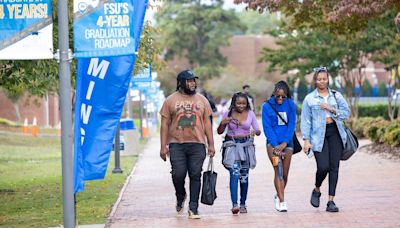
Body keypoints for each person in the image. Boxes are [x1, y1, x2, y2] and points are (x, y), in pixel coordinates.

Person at [159, 69, 216, 219]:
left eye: (193, 81)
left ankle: (193, 208)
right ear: (181, 83)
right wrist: (163, 146)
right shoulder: (170, 100)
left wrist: (211, 144)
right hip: (176, 144)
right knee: (178, 174)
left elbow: (207, 123)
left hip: (197, 144)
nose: (192, 83)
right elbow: (164, 124)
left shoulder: (202, 100)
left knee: (195, 175)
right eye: (189, 81)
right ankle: (180, 195)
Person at [300, 67, 350, 213]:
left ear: (328, 79)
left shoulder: (336, 96)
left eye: (324, 79)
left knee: (334, 167)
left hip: (335, 133)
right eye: (319, 79)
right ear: (315, 81)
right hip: (317, 136)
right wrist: (306, 140)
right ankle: (317, 189)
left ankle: (331, 201)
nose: (322, 81)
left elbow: (346, 113)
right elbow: (305, 121)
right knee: (323, 167)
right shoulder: (309, 99)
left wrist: (332, 109)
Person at [217, 92, 261, 215]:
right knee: (234, 174)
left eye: (243, 103)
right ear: (234, 103)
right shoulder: (228, 113)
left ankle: (243, 203)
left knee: (244, 177)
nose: (241, 105)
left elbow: (258, 130)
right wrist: (223, 122)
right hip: (232, 146)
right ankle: (234, 204)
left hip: (246, 147)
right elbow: (219, 131)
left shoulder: (250, 114)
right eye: (238, 103)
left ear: (247, 104)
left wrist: (254, 131)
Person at [261, 81, 297, 212]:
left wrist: (285, 143)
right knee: (279, 170)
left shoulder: (291, 104)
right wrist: (276, 145)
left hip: (287, 144)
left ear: (286, 95)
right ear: (274, 94)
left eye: (283, 96)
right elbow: (267, 127)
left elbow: (292, 124)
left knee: (285, 174)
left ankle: (278, 194)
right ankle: (282, 202)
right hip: (273, 145)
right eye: (278, 96)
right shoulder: (267, 106)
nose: (280, 99)